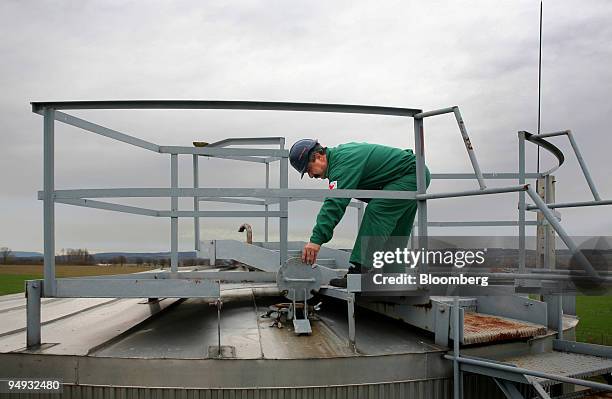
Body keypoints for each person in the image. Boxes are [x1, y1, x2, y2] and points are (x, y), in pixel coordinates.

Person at [289, 139, 431, 277]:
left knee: (377, 211)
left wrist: (316, 240)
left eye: (308, 170)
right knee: (396, 230)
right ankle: (394, 278)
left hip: (411, 175)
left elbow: (334, 204)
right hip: (412, 175)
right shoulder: (340, 158)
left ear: (319, 157)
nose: (311, 175)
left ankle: (360, 272)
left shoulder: (342, 164)